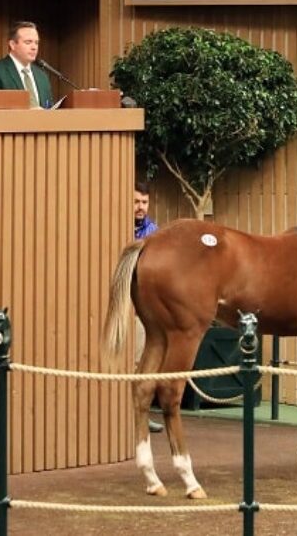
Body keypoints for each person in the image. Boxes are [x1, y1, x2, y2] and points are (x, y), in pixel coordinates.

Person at [133, 180, 162, 432]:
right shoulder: (119, 227)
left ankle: (142, 413)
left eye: (144, 202)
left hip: (143, 307)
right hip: (124, 304)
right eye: (136, 202)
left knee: (142, 357)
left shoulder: (154, 232)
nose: (140, 207)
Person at [0, 20, 53, 108]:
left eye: (36, 43)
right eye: (28, 42)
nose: (34, 47)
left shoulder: (42, 76)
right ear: (12, 44)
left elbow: (49, 107)